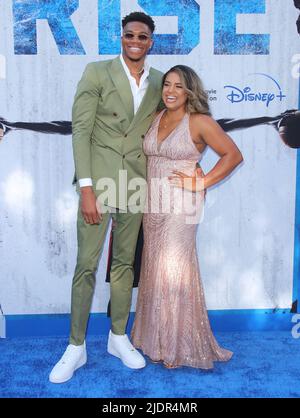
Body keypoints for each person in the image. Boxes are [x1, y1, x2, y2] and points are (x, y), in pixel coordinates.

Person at [49, 12, 164, 383]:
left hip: (135, 185)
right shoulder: (97, 72)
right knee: (86, 265)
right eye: (129, 34)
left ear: (151, 41)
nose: (135, 41)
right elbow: (81, 131)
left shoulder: (161, 81)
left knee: (124, 266)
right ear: (121, 37)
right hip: (98, 185)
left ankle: (118, 336)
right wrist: (86, 187)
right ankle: (75, 346)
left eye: (142, 36)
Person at [131, 65, 243, 369]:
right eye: (167, 84)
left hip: (182, 205)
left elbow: (233, 155)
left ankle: (176, 345)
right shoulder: (156, 117)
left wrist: (202, 181)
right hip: (152, 203)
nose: (170, 91)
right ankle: (153, 339)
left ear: (190, 91)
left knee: (173, 270)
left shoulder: (200, 122)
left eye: (178, 86)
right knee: (154, 268)